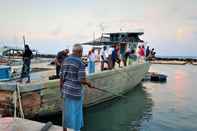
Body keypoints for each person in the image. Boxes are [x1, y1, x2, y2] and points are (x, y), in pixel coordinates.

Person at [60, 44, 94, 131]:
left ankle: (65, 130)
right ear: (79, 52)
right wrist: (89, 84)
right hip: (75, 92)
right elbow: (81, 80)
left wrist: (61, 90)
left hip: (65, 90)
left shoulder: (65, 60)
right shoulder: (80, 63)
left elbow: (61, 76)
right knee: (76, 113)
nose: (82, 54)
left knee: (66, 113)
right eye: (82, 52)